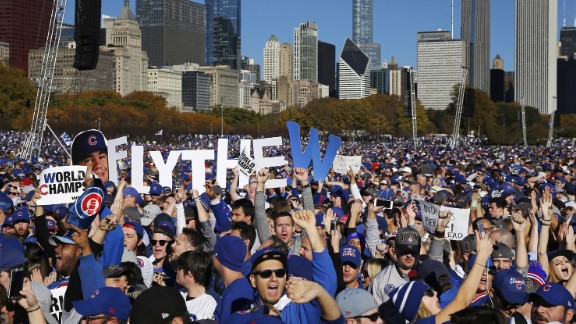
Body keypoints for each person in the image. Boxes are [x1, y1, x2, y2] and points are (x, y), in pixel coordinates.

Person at [175, 251, 217, 321]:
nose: (176, 270)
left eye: (179, 267)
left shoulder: (209, 304)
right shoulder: (178, 294)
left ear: (190, 273)